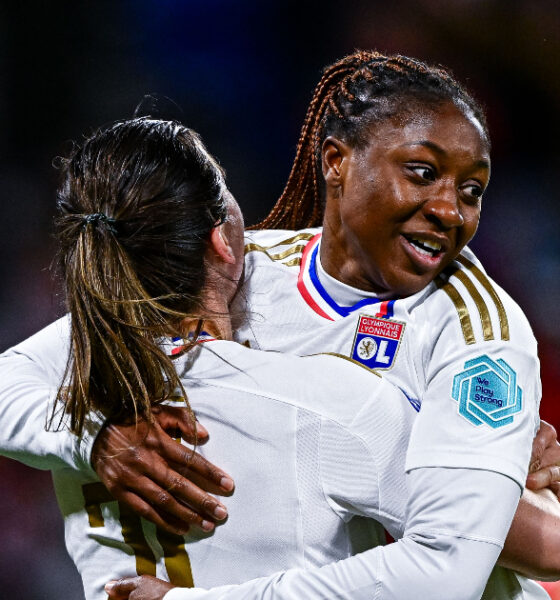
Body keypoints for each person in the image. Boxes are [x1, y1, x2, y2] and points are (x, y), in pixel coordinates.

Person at [0, 52, 558, 597]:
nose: (450, 211)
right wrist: (95, 436)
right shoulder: (261, 286)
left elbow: (484, 551)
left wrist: (496, 477)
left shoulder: (476, 331)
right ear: (336, 161)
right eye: (422, 173)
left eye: (472, 191)